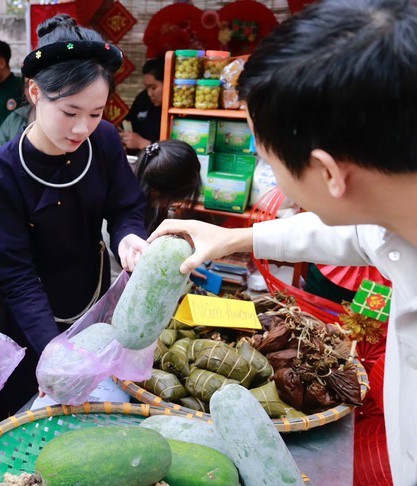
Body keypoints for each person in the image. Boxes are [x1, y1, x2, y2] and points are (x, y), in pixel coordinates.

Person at [148, 0, 417, 483]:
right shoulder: (394, 208)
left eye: (264, 154)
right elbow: (359, 233)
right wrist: (238, 238)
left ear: (330, 172)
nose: (260, 166)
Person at [0, 14, 149, 422]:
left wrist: (128, 237)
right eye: (70, 111)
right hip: (28, 316)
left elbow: (126, 206)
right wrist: (53, 350)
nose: (82, 128)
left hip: (92, 298)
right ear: (35, 92)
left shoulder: (103, 140)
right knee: (21, 410)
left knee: (92, 405)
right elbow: (15, 274)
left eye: (95, 112)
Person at [106, 140, 201, 282]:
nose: (175, 205)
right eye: (174, 200)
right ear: (156, 193)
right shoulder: (119, 216)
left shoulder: (145, 171)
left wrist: (181, 267)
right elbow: (117, 276)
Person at [120, 58, 164, 154]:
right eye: (147, 87)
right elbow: (128, 122)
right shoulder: (143, 98)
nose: (149, 93)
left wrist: (142, 143)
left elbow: (172, 153)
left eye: (153, 87)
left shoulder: (178, 112)